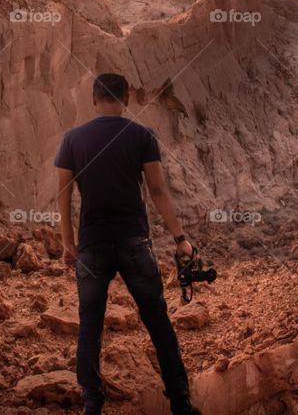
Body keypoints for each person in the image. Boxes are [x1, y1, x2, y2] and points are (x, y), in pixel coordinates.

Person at [56, 73, 202, 415]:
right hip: (134, 243)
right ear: (125, 100)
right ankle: (180, 402)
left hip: (91, 245)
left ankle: (92, 405)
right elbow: (157, 190)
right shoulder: (142, 135)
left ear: (93, 100)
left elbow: (63, 194)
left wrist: (67, 242)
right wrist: (180, 238)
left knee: (90, 324)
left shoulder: (72, 139)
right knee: (157, 321)